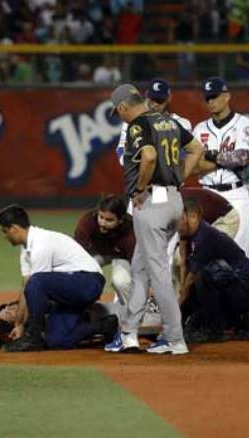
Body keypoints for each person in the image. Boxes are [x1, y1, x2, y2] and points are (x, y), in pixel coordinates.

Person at [104, 83, 203, 355]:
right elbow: (197, 148)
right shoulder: (168, 122)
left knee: (158, 275)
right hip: (174, 200)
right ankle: (129, 334)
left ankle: (175, 339)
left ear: (124, 107)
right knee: (140, 269)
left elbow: (147, 157)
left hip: (151, 202)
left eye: (119, 112)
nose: (120, 116)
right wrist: (180, 176)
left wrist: (139, 189)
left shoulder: (139, 125)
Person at [0, 205, 107, 352]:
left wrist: (29, 327)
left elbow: (35, 285)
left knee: (37, 282)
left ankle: (33, 338)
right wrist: (19, 324)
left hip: (88, 282)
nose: (5, 236)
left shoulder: (41, 243)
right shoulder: (26, 250)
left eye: (5, 231)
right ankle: (103, 326)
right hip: (70, 289)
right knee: (55, 340)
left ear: (14, 228)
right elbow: (26, 287)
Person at [178, 198, 249, 343]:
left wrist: (178, 308)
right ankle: (235, 319)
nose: (175, 223)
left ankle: (215, 330)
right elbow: (184, 267)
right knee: (201, 283)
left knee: (202, 278)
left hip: (245, 288)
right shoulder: (192, 235)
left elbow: (190, 279)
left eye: (179, 218)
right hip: (235, 285)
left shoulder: (204, 236)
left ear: (193, 217)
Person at [192, 77, 249, 261]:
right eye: (208, 98)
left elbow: (243, 157)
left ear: (227, 96)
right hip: (207, 194)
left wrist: (211, 156)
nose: (211, 101)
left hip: (236, 192)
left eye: (215, 96)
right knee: (206, 254)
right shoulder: (199, 129)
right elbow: (194, 166)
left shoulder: (243, 124)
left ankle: (248, 290)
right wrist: (226, 159)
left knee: (241, 253)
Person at [115, 77, 192, 166]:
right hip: (142, 176)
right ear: (147, 95)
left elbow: (185, 155)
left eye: (160, 100)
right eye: (152, 99)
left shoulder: (182, 123)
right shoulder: (132, 121)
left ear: (169, 98)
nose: (155, 104)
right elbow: (121, 150)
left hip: (171, 178)